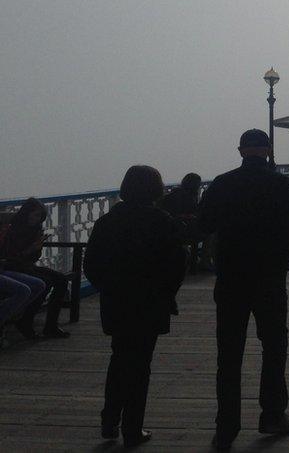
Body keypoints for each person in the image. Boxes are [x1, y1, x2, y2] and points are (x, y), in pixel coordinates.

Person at [198, 129, 289, 449]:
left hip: (231, 277)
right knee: (273, 345)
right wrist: (282, 264)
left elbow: (203, 226)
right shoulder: (279, 183)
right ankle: (273, 414)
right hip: (269, 277)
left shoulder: (222, 183)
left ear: (241, 150)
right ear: (267, 151)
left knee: (229, 353)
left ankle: (226, 427)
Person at [84, 165, 185, 447]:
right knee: (140, 365)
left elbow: (90, 263)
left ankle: (109, 420)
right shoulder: (162, 221)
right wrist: (166, 292)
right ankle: (132, 427)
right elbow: (177, 264)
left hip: (117, 301)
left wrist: (109, 287)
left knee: (119, 359)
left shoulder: (108, 222)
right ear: (156, 189)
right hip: (150, 302)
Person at [0, 198, 71, 338]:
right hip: (11, 266)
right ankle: (26, 320)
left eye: (39, 217)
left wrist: (36, 248)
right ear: (26, 213)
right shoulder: (12, 229)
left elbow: (33, 258)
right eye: (34, 215)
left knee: (61, 280)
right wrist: (30, 249)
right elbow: (8, 257)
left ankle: (51, 326)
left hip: (26, 266)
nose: (36, 220)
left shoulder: (35, 230)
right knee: (45, 282)